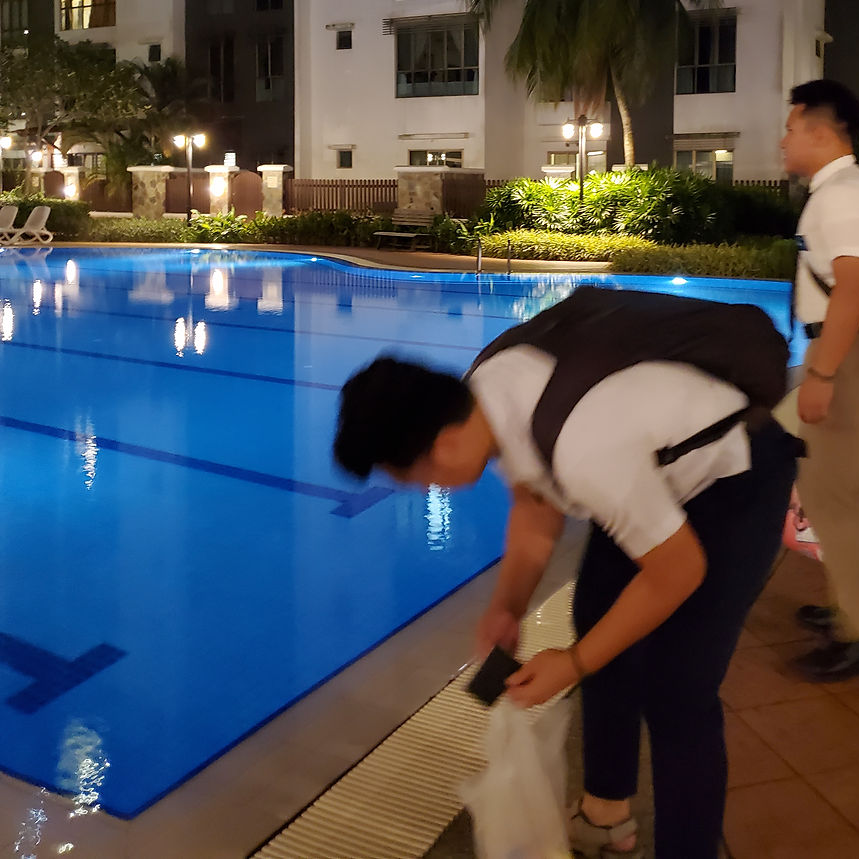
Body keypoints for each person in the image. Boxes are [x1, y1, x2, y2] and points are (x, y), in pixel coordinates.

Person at [333, 290, 798, 859]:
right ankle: (605, 815)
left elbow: (677, 572)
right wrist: (508, 606)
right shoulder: (485, 390)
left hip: (736, 480)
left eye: (415, 478)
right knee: (598, 619)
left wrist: (574, 664)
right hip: (652, 467)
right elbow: (536, 503)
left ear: (445, 443)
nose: (426, 489)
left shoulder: (585, 451)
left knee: (678, 690)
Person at [781, 79, 859, 679]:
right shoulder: (841, 192)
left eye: (790, 129)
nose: (784, 140)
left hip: (851, 356)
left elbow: (852, 289)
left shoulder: (844, 196)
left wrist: (822, 374)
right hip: (854, 351)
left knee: (838, 497)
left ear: (820, 131)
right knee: (852, 492)